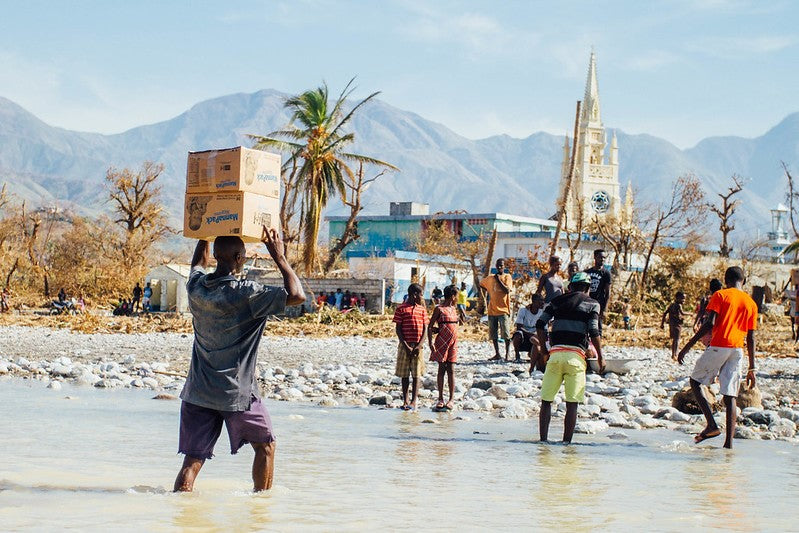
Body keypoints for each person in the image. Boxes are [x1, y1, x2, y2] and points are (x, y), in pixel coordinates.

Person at [173, 227, 304, 493]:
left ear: (216, 256)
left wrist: (205, 229)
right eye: (243, 255)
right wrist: (279, 257)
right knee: (266, 446)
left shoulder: (196, 287)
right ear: (239, 258)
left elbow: (198, 263)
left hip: (198, 392)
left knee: (193, 461)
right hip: (236, 393)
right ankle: (260, 511)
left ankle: (180, 512)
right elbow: (297, 295)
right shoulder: (246, 293)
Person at [677, 266, 757, 449]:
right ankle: (728, 445)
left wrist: (687, 346)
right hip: (738, 350)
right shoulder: (750, 302)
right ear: (743, 281)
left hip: (720, 345)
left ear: (726, 280)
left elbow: (709, 323)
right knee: (730, 394)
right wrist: (752, 368)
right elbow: (751, 337)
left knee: (695, 381)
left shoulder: (720, 295)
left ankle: (712, 425)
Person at [536, 272, 604, 444]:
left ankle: (543, 441)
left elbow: (540, 324)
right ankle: (567, 444)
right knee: (572, 404)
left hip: (555, 356)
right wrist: (601, 357)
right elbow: (594, 331)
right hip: (576, 358)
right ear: (588, 289)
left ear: (570, 287)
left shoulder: (556, 301)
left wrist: (544, 350)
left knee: (546, 401)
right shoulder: (592, 304)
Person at [393, 283, 428, 411]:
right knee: (405, 375)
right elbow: (398, 330)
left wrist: (420, 345)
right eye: (421, 295)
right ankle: (406, 400)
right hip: (404, 346)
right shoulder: (401, 309)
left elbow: (425, 329)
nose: (422, 297)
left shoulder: (422, 310)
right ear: (415, 295)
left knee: (416, 374)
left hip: (418, 347)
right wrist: (406, 345)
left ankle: (414, 401)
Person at [428, 285, 459, 411]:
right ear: (452, 296)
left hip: (453, 342)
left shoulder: (454, 309)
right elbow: (430, 326)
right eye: (456, 295)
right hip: (441, 341)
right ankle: (440, 398)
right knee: (441, 368)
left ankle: (451, 399)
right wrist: (430, 343)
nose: (457, 298)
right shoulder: (439, 309)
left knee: (451, 368)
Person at [480, 258, 513, 361]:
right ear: (495, 265)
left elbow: (507, 290)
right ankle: (497, 353)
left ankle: (507, 354)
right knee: (493, 333)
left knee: (506, 333)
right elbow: (481, 284)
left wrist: (499, 280)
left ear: (504, 266)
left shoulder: (507, 277)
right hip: (492, 310)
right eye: (498, 265)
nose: (499, 267)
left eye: (501, 266)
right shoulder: (490, 278)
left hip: (503, 310)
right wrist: (488, 291)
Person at [511, 293, 545, 368]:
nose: (542, 303)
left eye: (543, 301)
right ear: (534, 302)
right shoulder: (523, 310)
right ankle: (517, 355)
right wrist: (530, 333)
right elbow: (519, 326)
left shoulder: (542, 312)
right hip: (525, 333)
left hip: (535, 334)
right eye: (540, 301)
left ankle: (534, 355)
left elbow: (543, 327)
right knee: (517, 335)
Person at [585, 250, 611, 332]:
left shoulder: (606, 273)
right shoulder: (587, 272)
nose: (602, 259)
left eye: (604, 258)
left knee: (597, 326)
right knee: (585, 325)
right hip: (587, 303)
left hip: (598, 303)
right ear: (595, 257)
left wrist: (604, 309)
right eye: (600, 257)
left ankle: (598, 343)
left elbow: (607, 293)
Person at [694, 278, 723, 346]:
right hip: (715, 324)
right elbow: (701, 312)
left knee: (710, 344)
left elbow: (700, 312)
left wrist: (696, 323)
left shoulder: (706, 299)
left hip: (708, 324)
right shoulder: (720, 299)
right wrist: (696, 324)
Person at [661, 291, 686, 361]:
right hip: (677, 324)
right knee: (677, 340)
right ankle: (676, 354)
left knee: (675, 340)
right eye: (682, 298)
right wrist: (690, 314)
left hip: (672, 324)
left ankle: (673, 355)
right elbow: (682, 313)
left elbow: (664, 313)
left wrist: (662, 323)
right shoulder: (679, 305)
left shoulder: (671, 305)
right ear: (677, 298)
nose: (684, 300)